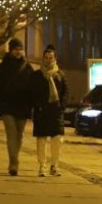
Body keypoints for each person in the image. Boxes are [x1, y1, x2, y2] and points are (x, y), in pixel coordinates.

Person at [0, 38, 33, 176]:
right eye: (16, 49)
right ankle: (14, 163)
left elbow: (33, 86)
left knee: (19, 135)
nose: (18, 52)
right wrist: (4, 96)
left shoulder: (27, 67)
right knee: (11, 134)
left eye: (20, 49)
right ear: (10, 50)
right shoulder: (2, 66)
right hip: (7, 106)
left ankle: (14, 160)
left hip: (23, 106)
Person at [31, 45, 67, 177]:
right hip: (42, 111)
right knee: (41, 140)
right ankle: (42, 166)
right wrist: (38, 106)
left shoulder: (60, 75)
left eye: (50, 57)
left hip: (56, 112)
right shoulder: (36, 75)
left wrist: (61, 107)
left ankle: (55, 166)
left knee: (57, 140)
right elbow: (32, 93)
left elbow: (65, 93)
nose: (48, 60)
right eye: (46, 57)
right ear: (43, 58)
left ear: (55, 58)